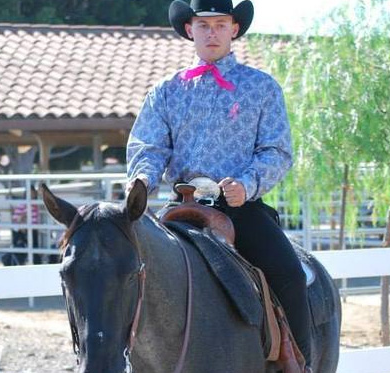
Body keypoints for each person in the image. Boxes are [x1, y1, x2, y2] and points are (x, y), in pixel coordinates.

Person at [126, 0, 312, 371]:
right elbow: (149, 146)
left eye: (220, 24)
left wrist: (248, 183)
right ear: (189, 30)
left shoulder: (261, 88)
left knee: (289, 274)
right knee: (126, 270)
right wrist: (142, 179)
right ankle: (127, 358)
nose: (212, 32)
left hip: (240, 207)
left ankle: (298, 363)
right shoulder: (165, 91)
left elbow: (276, 151)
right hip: (181, 207)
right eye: (204, 24)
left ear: (234, 29)